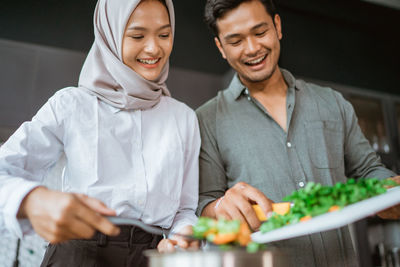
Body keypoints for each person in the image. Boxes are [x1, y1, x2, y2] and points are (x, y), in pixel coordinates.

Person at [196, 0, 400, 266]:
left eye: (260, 32)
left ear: (277, 26)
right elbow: (205, 207)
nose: (253, 48)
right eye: (235, 41)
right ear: (220, 48)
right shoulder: (206, 120)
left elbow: (369, 172)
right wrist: (219, 208)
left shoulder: (333, 103)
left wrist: (391, 191)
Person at [0, 0, 199, 266]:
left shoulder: (184, 118)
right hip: (77, 253)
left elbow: (185, 209)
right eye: (138, 35)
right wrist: (32, 199)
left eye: (164, 34)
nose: (154, 48)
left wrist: (183, 237)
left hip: (153, 257)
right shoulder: (71, 104)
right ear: (109, 35)